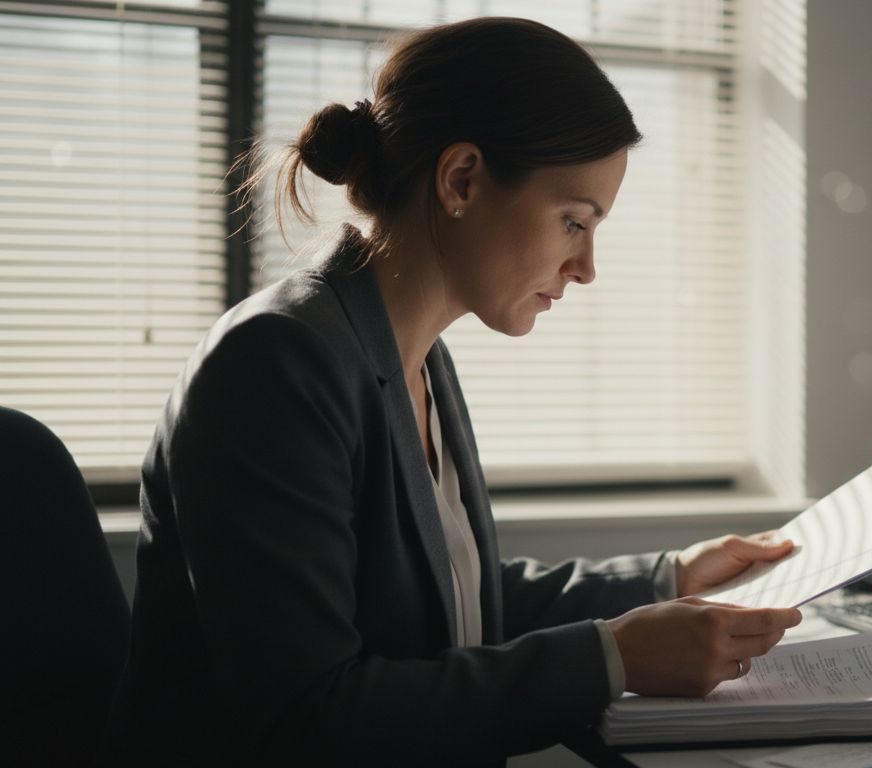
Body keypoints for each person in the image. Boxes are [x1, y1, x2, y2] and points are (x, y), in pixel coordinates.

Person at [101, 17, 802, 767]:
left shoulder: (414, 354)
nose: (586, 266)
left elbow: (447, 597)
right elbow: (308, 718)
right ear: (461, 179)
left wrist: (669, 577)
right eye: (573, 222)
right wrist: (612, 659)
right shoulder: (275, 362)